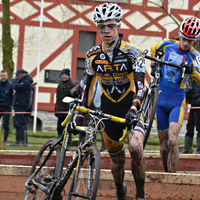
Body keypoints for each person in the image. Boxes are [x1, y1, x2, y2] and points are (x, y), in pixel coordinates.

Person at [68, 3, 146, 200]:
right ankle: (120, 193)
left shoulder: (133, 52)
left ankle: (140, 194)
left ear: (119, 26)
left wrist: (134, 109)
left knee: (136, 148)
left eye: (110, 26)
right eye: (101, 26)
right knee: (117, 160)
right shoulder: (92, 56)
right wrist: (80, 113)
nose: (106, 31)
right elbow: (88, 86)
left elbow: (141, 87)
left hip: (131, 107)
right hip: (108, 110)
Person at [150, 16, 200, 173]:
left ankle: (173, 178)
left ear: (196, 40)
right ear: (179, 34)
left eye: (190, 41)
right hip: (161, 99)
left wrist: (192, 71)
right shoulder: (166, 45)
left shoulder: (195, 57)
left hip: (177, 101)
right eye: (184, 38)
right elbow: (152, 50)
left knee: (172, 141)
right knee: (163, 147)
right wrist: (153, 66)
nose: (186, 43)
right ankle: (166, 176)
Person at [11, 69, 33, 146]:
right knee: (17, 124)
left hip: (21, 105)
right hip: (18, 104)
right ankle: (17, 141)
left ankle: (22, 142)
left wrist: (13, 81)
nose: (16, 77)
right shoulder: (22, 81)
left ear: (21, 75)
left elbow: (16, 87)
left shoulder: (26, 82)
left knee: (20, 123)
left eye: (17, 75)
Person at [55, 68, 75, 149]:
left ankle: (68, 145)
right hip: (60, 111)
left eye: (65, 75)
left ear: (68, 76)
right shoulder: (60, 84)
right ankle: (60, 143)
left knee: (67, 128)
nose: (64, 77)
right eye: (63, 75)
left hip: (67, 111)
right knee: (59, 128)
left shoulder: (72, 85)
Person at [181, 78, 200, 154]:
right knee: (189, 126)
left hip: (198, 105)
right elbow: (189, 89)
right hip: (193, 104)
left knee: (199, 128)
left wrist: (198, 101)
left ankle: (199, 150)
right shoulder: (193, 78)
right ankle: (186, 149)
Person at [0, 70, 13, 145]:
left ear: (7, 76)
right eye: (2, 76)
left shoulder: (11, 85)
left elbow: (14, 95)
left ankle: (5, 140)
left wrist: (11, 104)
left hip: (7, 107)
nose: (3, 77)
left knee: (6, 123)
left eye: (4, 76)